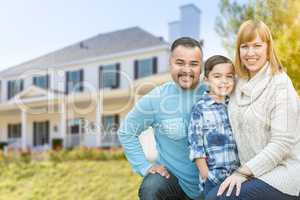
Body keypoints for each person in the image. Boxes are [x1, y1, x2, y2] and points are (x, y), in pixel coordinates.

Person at [206, 20, 300, 200]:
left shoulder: (280, 84)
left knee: (219, 199)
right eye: (244, 46)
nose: (250, 53)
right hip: (250, 172)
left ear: (268, 48)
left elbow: (281, 144)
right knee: (211, 195)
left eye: (257, 45)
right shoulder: (236, 83)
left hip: (283, 173)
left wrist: (242, 173)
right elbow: (211, 87)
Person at [118, 37, 206, 200]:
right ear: (170, 63)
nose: (187, 70)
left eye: (193, 64)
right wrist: (144, 167)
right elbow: (126, 132)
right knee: (152, 187)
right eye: (180, 63)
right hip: (175, 185)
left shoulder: (214, 93)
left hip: (213, 185)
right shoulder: (156, 98)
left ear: (201, 67)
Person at [188, 55, 240, 197]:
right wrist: (206, 176)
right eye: (217, 76)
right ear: (206, 80)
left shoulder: (235, 105)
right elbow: (196, 148)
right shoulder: (200, 109)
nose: (224, 81)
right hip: (214, 179)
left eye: (229, 76)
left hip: (239, 176)